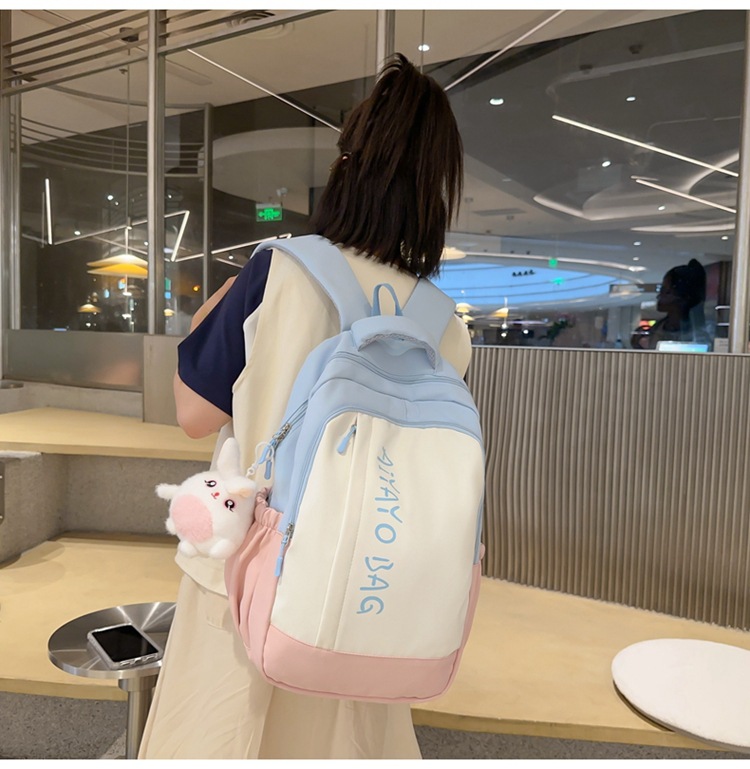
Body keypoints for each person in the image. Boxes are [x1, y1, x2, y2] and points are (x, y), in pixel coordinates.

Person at [138, 53, 472, 760]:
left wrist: (221, 303)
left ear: (349, 162)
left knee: (222, 739)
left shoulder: (281, 268)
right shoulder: (445, 323)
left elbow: (194, 415)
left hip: (245, 572)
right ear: (437, 188)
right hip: (371, 583)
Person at [631, 258, 710, 350]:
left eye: (666, 291)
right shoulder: (659, 327)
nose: (659, 296)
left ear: (682, 297)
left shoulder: (696, 335)